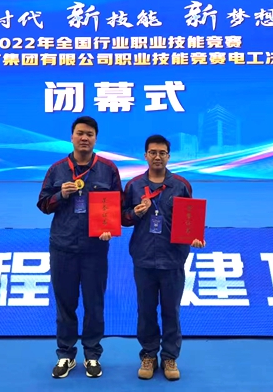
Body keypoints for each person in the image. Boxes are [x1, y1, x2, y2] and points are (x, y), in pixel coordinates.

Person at [37, 116, 123, 379]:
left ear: (95, 138)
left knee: (94, 303)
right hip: (63, 246)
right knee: (66, 303)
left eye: (90, 134)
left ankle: (92, 355)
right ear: (72, 136)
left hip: (95, 248)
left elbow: (118, 206)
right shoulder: (57, 170)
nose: (84, 138)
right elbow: (43, 204)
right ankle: (65, 354)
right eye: (80, 133)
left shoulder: (108, 169)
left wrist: (110, 227)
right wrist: (61, 195)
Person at [121, 134, 205, 381]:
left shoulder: (181, 185)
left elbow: (191, 219)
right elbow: (123, 218)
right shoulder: (134, 186)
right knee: (146, 311)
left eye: (162, 153)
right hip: (143, 258)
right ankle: (148, 355)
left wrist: (195, 237)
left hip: (172, 259)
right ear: (145, 155)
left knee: (171, 311)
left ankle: (169, 357)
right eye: (152, 152)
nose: (157, 157)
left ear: (168, 156)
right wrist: (135, 213)